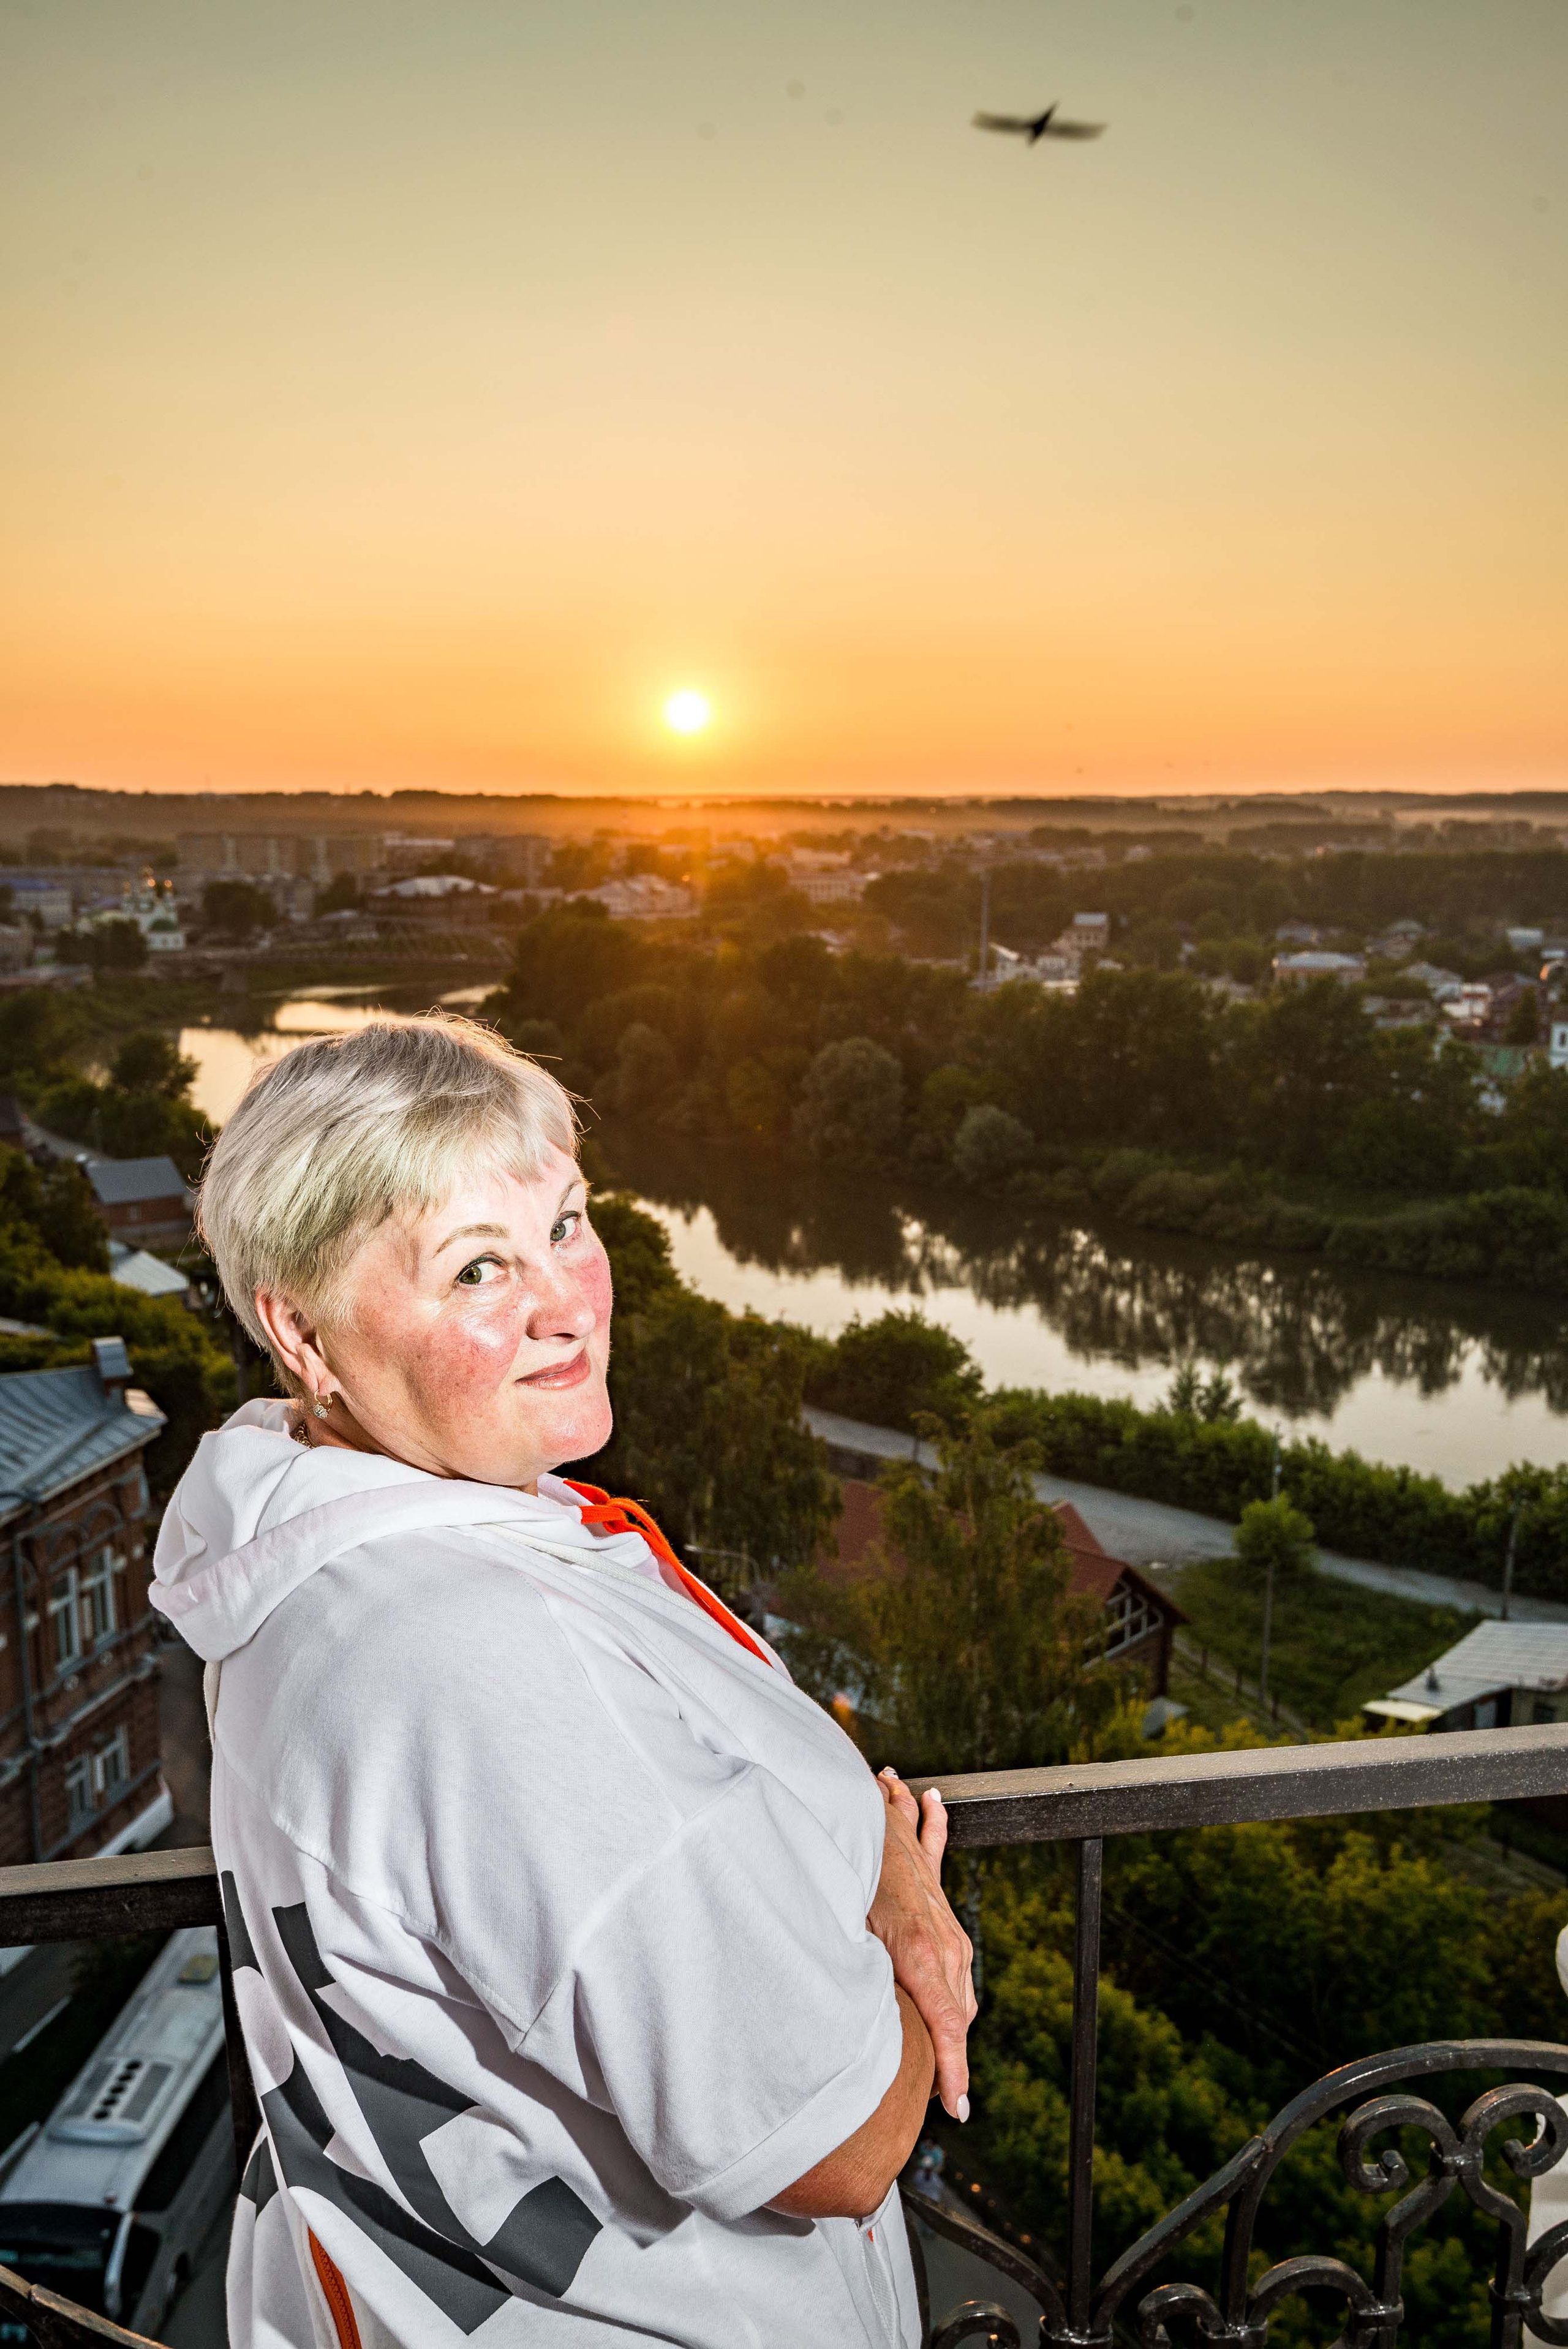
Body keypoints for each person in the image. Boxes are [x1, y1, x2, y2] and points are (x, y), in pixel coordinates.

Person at [154, 1016, 975, 2349]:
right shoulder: (484, 1657)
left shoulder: (303, 1557)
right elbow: (837, 2141)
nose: (568, 1303)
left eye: (567, 1224)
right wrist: (903, 1908)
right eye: (477, 1267)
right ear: (302, 1333)